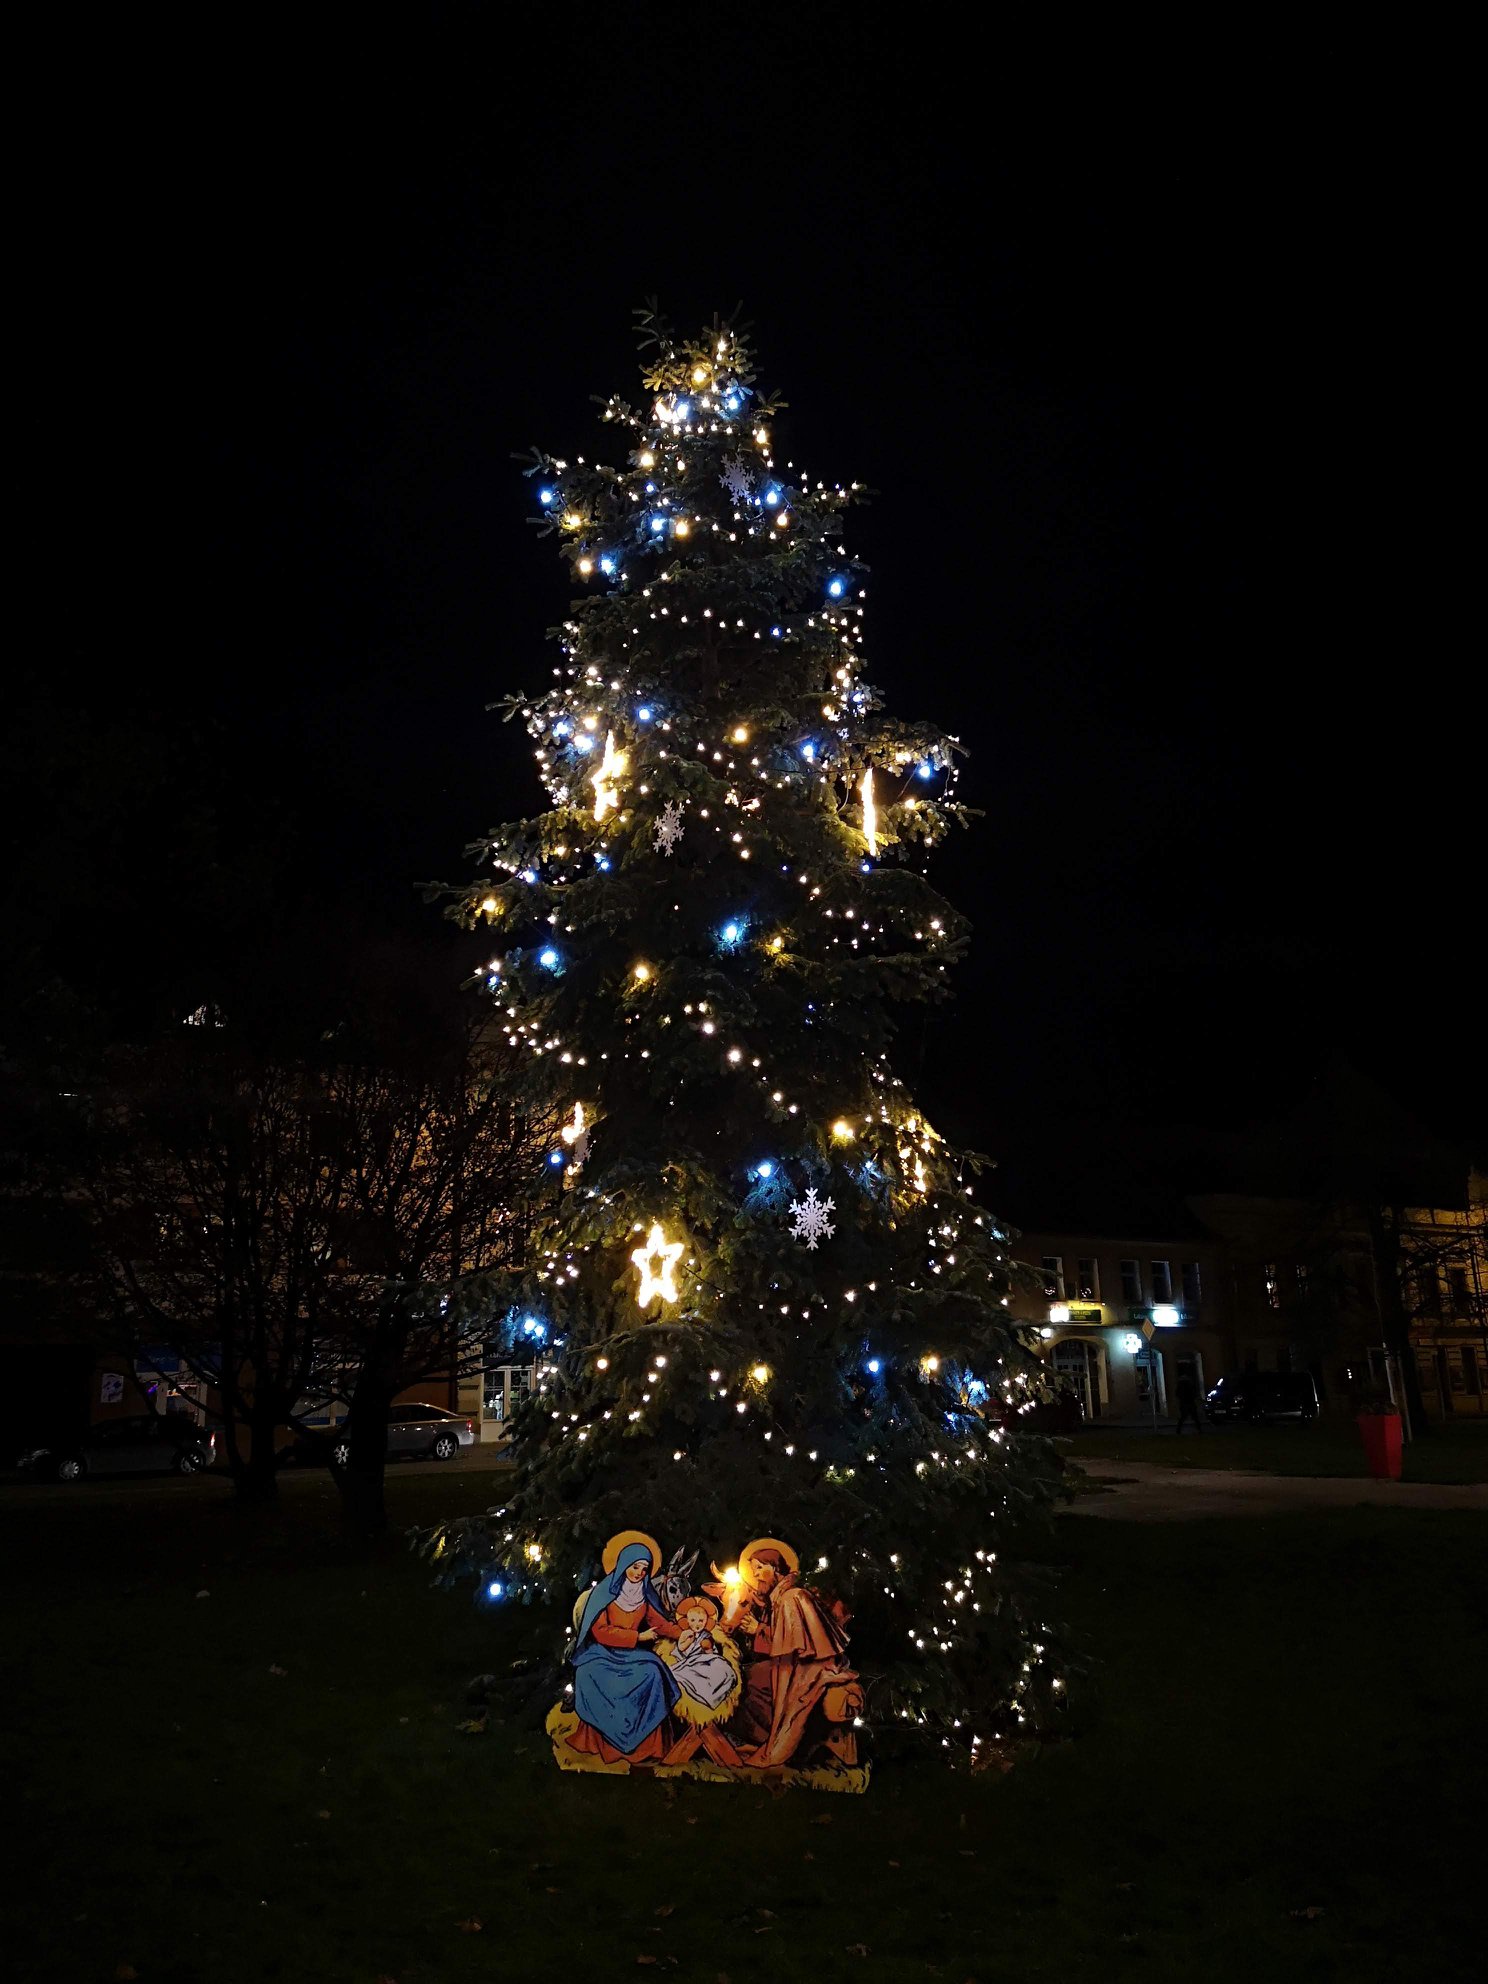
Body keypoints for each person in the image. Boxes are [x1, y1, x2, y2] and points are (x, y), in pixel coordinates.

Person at [717, 1541, 860, 1769]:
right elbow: (776, 1645)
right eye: (752, 1569)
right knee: (747, 1678)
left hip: (806, 1670)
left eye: (760, 1567)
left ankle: (793, 1743)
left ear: (776, 1569)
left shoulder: (792, 1598)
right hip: (789, 1665)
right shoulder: (776, 1599)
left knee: (747, 1682)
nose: (755, 1575)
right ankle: (768, 1738)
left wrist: (758, 1630)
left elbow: (795, 1644)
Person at [567, 1540, 681, 1763]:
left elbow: (661, 1625)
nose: (639, 1573)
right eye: (635, 1566)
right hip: (601, 1653)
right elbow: (600, 1632)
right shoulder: (605, 1593)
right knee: (588, 1673)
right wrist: (637, 1637)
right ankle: (607, 1744)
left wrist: (684, 1632)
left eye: (644, 1569)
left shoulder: (643, 1595)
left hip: (630, 1654)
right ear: (624, 1564)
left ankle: (648, 1746)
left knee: (653, 1673)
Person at [1174, 1369, 1204, 1435]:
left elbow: (1177, 1394)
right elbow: (1194, 1393)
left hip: (1184, 1403)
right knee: (1195, 1417)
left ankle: (1178, 1430)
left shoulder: (1180, 1385)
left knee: (1183, 1417)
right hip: (1190, 1402)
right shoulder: (1190, 1384)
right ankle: (1199, 1430)